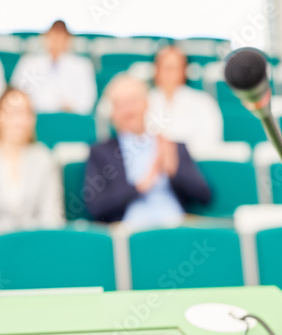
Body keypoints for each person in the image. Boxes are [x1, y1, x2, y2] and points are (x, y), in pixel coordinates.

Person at [84, 75, 211, 227]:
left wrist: (174, 170)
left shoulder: (171, 146)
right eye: (119, 104)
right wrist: (140, 186)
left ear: (146, 103)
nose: (127, 109)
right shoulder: (100, 152)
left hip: (176, 227)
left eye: (133, 101)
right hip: (129, 233)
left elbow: (205, 197)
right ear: (111, 113)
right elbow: (96, 207)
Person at [0, 88, 63, 234]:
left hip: (36, 246)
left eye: (27, 113)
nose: (21, 120)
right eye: (14, 112)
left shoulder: (45, 159)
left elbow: (51, 217)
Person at [11, 19, 97, 114]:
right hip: (34, 116)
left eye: (61, 37)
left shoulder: (82, 66)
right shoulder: (28, 62)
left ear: (69, 40)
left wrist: (71, 107)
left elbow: (88, 100)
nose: (56, 41)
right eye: (53, 36)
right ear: (45, 38)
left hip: (69, 118)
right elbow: (16, 92)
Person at [149, 45, 223, 149]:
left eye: (174, 68)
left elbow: (211, 143)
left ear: (184, 71)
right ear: (156, 70)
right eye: (165, 67)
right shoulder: (142, 101)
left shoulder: (202, 102)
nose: (169, 73)